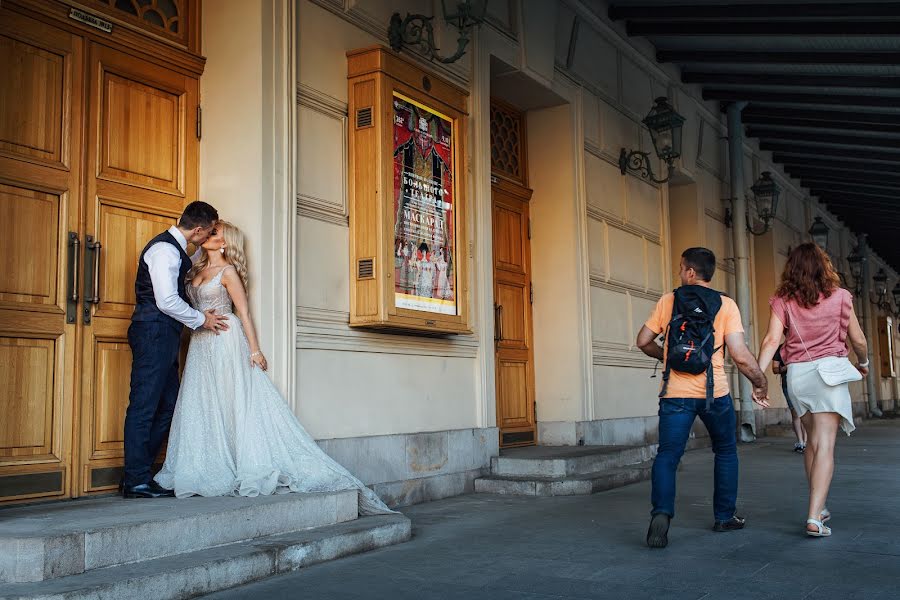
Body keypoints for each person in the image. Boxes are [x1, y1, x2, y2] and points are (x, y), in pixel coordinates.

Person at [154, 222, 392, 515]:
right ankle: (204, 461)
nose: (208, 236)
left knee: (230, 400)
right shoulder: (193, 268)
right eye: (209, 232)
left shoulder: (228, 273)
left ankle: (237, 461)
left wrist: (254, 350)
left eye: (215, 234)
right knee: (203, 401)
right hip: (201, 343)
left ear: (225, 243)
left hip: (226, 340)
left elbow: (244, 312)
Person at [636, 247, 769, 548]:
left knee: (668, 456)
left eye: (682, 268)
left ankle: (661, 514)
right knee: (725, 450)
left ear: (692, 272)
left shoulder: (668, 301)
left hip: (675, 395)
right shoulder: (726, 305)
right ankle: (724, 516)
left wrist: (668, 357)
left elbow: (643, 341)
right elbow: (741, 356)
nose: (680, 273)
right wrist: (760, 383)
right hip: (715, 394)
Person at [756, 243, 869, 537]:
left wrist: (758, 378)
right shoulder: (842, 297)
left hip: (799, 377)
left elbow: (771, 340)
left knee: (811, 443)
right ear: (824, 266)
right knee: (826, 446)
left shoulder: (783, 299)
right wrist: (864, 362)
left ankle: (819, 505)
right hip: (829, 374)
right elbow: (858, 340)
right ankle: (814, 517)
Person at [123, 201, 230, 499]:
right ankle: (134, 480)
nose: (209, 235)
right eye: (208, 231)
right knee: (144, 406)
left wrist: (217, 239)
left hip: (164, 335)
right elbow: (166, 301)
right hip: (152, 333)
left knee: (169, 404)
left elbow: (193, 256)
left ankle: (140, 472)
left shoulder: (178, 249)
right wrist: (202, 319)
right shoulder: (165, 250)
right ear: (197, 230)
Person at [773, 344, 807, 453]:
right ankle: (800, 442)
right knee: (795, 413)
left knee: (805, 413)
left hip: (805, 383)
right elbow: (775, 369)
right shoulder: (781, 348)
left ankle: (806, 442)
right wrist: (787, 367)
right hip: (788, 384)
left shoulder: (803, 345)